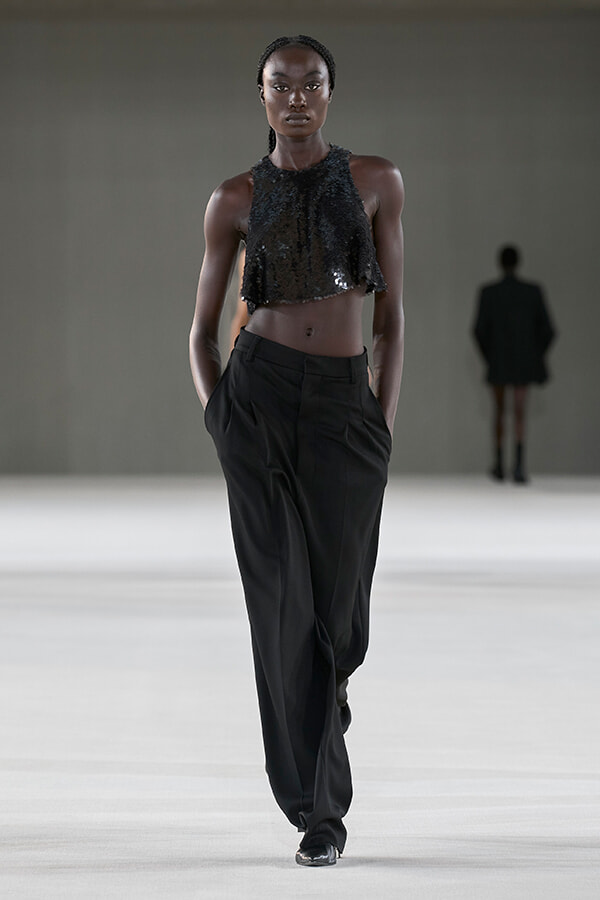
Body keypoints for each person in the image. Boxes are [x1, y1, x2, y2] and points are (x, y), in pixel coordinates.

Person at [189, 35, 404, 867]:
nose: (297, 98)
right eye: (281, 85)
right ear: (262, 95)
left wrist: (380, 426)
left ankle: (332, 684)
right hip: (261, 401)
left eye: (310, 84)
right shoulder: (234, 199)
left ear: (330, 92)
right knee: (284, 605)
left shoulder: (376, 182)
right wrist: (223, 422)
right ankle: (319, 813)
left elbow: (391, 321)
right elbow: (200, 334)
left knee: (341, 616)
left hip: (346, 409)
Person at [473, 245, 555, 483]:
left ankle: (500, 464)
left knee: (500, 411)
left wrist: (489, 356)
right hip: (522, 359)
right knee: (519, 411)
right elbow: (548, 330)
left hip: (499, 359)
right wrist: (535, 354)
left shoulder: (489, 293)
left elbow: (479, 330)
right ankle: (518, 466)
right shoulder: (532, 292)